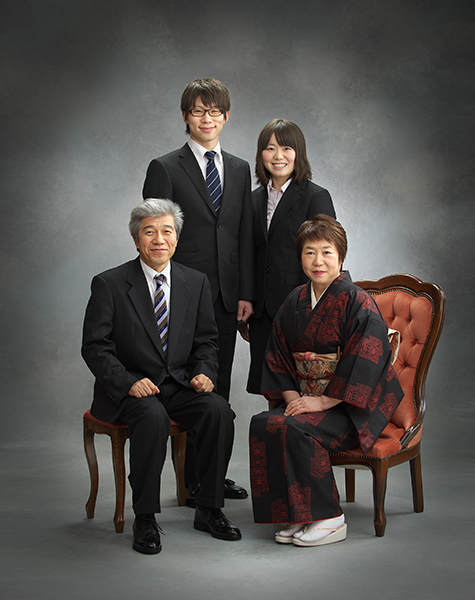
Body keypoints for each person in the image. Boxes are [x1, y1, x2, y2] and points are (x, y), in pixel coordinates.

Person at [82, 199, 242, 555]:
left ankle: (209, 508)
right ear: (136, 239)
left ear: (177, 238)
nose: (159, 239)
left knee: (218, 411)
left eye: (166, 231)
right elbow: (95, 347)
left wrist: (204, 372)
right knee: (152, 417)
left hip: (179, 384)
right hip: (130, 389)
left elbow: (207, 340)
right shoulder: (109, 283)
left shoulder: (195, 282)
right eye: (149, 232)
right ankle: (145, 517)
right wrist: (127, 382)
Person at [249, 215, 404, 547]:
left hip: (352, 408)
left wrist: (321, 401)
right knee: (264, 423)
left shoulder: (358, 302)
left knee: (295, 427)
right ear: (300, 257)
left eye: (326, 252)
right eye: (309, 252)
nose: (318, 261)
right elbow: (277, 356)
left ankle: (330, 518)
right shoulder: (294, 301)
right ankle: (298, 513)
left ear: (340, 256)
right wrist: (294, 400)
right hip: (308, 400)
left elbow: (364, 361)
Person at [142, 78, 253, 502]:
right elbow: (155, 236)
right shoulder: (165, 167)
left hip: (226, 297)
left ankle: (212, 477)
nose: (207, 118)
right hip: (179, 298)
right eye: (198, 110)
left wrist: (245, 293)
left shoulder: (240, 169)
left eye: (214, 110)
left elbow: (243, 235)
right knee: (184, 385)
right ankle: (189, 482)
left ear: (226, 116)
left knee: (217, 389)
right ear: (186, 116)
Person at [239, 119, 336, 394]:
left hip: (300, 308)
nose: (278, 156)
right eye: (270, 148)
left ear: (298, 153)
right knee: (270, 387)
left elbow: (328, 255)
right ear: (261, 154)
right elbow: (247, 251)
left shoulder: (316, 196)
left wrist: (317, 306)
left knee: (301, 386)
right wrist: (246, 296)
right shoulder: (253, 199)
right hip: (261, 310)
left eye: (286, 148)